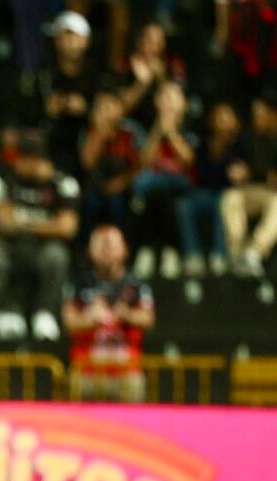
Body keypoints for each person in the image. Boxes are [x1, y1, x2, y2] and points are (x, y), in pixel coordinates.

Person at [0, 129, 78, 342]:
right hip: (9, 246)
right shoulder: (0, 177)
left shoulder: (61, 182)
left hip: (44, 248)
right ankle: (6, 311)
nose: (30, 163)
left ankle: (46, 313)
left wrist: (24, 223)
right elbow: (5, 223)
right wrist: (46, 223)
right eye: (25, 157)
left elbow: (67, 228)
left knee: (57, 255)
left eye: (37, 158)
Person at [62, 224, 154, 402]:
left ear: (125, 250)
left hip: (126, 371)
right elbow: (69, 323)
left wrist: (125, 314)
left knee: (136, 387)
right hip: (87, 370)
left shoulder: (137, 285)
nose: (107, 251)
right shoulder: (78, 284)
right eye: (101, 246)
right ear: (90, 251)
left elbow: (148, 319)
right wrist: (92, 319)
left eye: (112, 245)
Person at [131, 81, 195, 280]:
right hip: (156, 189)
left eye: (173, 98)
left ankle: (153, 249)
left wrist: (171, 132)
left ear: (183, 104)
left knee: (147, 187)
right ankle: (159, 251)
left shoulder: (189, 130)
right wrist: (159, 130)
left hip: (182, 184)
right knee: (155, 193)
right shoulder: (146, 129)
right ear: (156, 103)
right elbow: (144, 161)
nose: (168, 103)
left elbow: (188, 160)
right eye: (164, 98)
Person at [177, 103, 244, 277]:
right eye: (220, 117)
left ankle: (219, 255)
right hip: (205, 192)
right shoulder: (203, 142)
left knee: (225, 202)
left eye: (227, 117)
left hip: (230, 194)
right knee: (184, 205)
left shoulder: (240, 143)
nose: (223, 121)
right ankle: (193, 255)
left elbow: (242, 173)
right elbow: (200, 173)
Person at [222, 95, 277, 278]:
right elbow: (232, 168)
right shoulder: (245, 138)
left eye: (261, 113)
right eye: (255, 113)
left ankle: (254, 253)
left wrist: (252, 172)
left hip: (270, 194)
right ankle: (237, 255)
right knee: (230, 198)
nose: (257, 117)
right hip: (247, 191)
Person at [40, 11, 99, 177]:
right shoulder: (45, 73)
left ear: (86, 41)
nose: (66, 42)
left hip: (84, 148)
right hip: (51, 144)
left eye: (72, 36)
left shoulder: (95, 75)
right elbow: (43, 111)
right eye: (61, 36)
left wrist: (86, 109)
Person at [79, 91, 139, 235]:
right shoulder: (88, 133)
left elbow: (139, 166)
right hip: (94, 186)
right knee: (90, 203)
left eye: (110, 105)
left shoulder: (129, 133)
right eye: (101, 107)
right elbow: (87, 163)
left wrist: (122, 183)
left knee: (117, 203)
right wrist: (98, 133)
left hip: (123, 185)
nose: (106, 110)